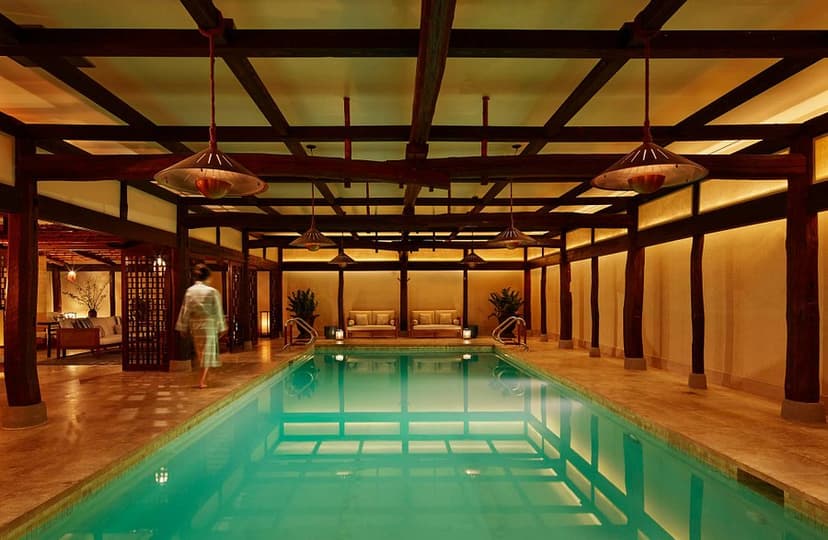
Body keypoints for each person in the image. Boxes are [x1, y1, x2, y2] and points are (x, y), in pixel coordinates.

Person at [175, 264, 227, 388]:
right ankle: (202, 380)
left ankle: (203, 377)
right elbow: (217, 310)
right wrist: (222, 326)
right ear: (207, 277)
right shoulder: (212, 292)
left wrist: (183, 326)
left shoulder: (190, 291)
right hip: (208, 324)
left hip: (195, 324)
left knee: (200, 351)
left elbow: (185, 309)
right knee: (207, 352)